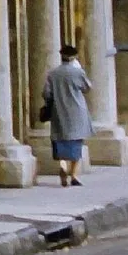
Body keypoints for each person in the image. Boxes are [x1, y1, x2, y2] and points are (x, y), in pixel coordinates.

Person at [41, 43, 93, 188]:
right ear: (74, 57)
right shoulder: (78, 72)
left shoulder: (52, 74)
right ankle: (74, 174)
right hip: (77, 110)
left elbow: (46, 93)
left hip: (59, 110)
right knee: (76, 142)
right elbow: (87, 87)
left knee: (60, 141)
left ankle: (63, 165)